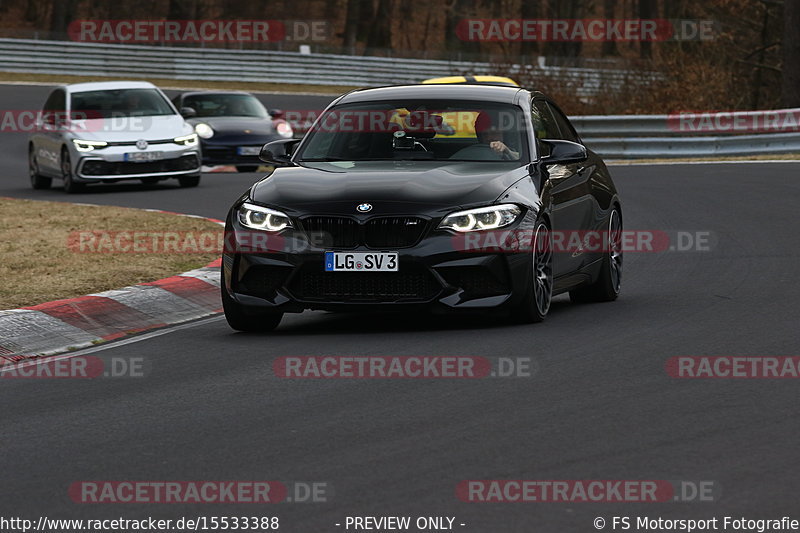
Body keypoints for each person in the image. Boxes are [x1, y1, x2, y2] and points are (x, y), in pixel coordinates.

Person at [451, 111, 519, 160]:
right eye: (484, 134)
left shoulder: (515, 152)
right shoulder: (466, 154)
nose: (489, 138)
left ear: (504, 134)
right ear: (479, 136)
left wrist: (507, 151)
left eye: (494, 133)